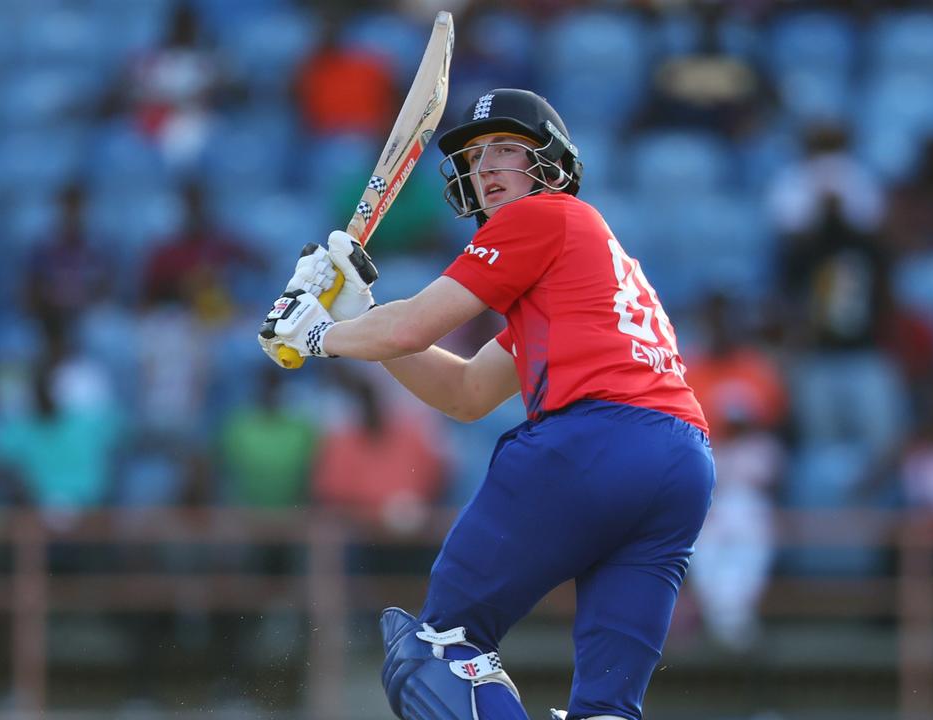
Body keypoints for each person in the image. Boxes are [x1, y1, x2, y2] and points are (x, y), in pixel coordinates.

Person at [259, 89, 714, 720]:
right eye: (476, 157)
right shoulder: (579, 263)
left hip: (596, 443)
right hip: (680, 465)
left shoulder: (543, 216)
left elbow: (410, 328)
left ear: (550, 164)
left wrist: (314, 334)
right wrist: (359, 315)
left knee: (439, 650)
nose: (487, 167)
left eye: (506, 149)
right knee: (607, 711)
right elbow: (466, 392)